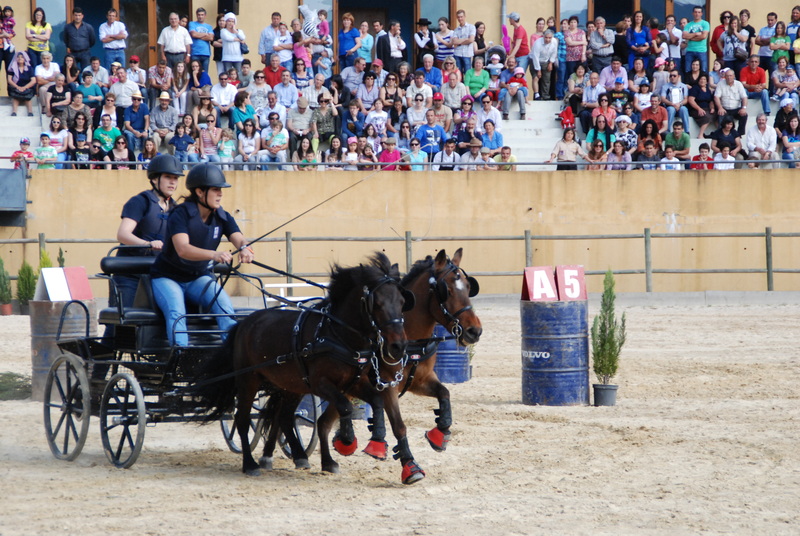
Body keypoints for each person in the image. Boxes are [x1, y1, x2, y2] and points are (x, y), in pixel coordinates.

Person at [150, 164, 253, 347]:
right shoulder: (180, 214)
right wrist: (214, 255)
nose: (220, 194)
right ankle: (181, 357)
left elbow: (238, 238)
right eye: (215, 189)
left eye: (220, 190)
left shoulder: (223, 216)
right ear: (199, 192)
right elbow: (183, 249)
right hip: (168, 277)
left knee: (224, 306)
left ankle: (231, 355)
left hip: (198, 278)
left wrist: (245, 248)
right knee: (176, 311)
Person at [112, 154, 183, 310]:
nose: (173, 182)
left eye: (176, 178)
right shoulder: (139, 201)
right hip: (130, 273)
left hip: (158, 273)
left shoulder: (176, 208)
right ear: (155, 179)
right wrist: (147, 244)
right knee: (124, 321)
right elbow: (123, 234)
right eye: (168, 177)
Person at [715, 67, 749, 136]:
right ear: (725, 76)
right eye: (727, 76)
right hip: (725, 109)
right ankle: (721, 135)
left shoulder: (739, 84)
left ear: (734, 76)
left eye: (730, 76)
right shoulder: (720, 84)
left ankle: (740, 134)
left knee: (744, 115)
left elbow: (744, 97)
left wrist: (744, 108)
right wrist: (720, 108)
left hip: (736, 109)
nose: (729, 77)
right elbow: (716, 97)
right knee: (721, 115)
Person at [7, 51, 36, 116]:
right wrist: (17, 87)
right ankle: (14, 112)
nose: (20, 59)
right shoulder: (12, 68)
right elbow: (9, 80)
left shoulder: (29, 68)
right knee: (16, 97)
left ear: (25, 58)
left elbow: (33, 80)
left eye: (22, 57)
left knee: (27, 97)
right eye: (18, 57)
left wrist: (24, 87)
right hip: (16, 87)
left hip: (27, 88)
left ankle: (30, 112)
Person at [683, 6, 710, 73]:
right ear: (693, 13)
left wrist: (690, 37)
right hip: (690, 50)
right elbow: (684, 36)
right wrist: (695, 34)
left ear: (701, 14)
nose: (697, 14)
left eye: (699, 12)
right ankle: (688, 83)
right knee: (688, 70)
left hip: (701, 51)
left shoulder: (705, 23)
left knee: (703, 71)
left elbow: (703, 36)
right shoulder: (688, 25)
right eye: (695, 12)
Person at [531, 31, 557, 101]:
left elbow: (554, 53)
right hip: (535, 60)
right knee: (536, 77)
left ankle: (545, 96)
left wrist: (551, 63)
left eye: (549, 38)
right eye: (546, 38)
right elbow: (535, 57)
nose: (548, 39)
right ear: (543, 37)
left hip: (546, 60)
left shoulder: (554, 42)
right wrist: (538, 70)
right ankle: (537, 95)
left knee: (546, 79)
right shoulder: (538, 43)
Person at [189, 7, 214, 72]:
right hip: (195, 53)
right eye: (199, 15)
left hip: (206, 53)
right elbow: (193, 34)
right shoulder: (192, 24)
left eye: (202, 15)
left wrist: (198, 35)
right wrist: (206, 34)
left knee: (204, 73)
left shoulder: (209, 26)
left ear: (205, 16)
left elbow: (211, 38)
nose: (200, 16)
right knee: (195, 72)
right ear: (196, 15)